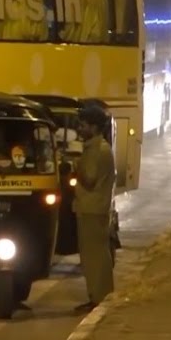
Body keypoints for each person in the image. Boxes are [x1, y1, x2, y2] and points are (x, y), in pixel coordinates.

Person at [72, 105, 116, 312]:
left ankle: (98, 299)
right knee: (99, 255)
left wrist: (74, 167)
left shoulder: (95, 150)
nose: (80, 129)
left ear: (94, 127)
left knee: (93, 258)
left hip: (91, 208)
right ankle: (101, 296)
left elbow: (89, 180)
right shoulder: (102, 147)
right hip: (96, 207)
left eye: (83, 125)